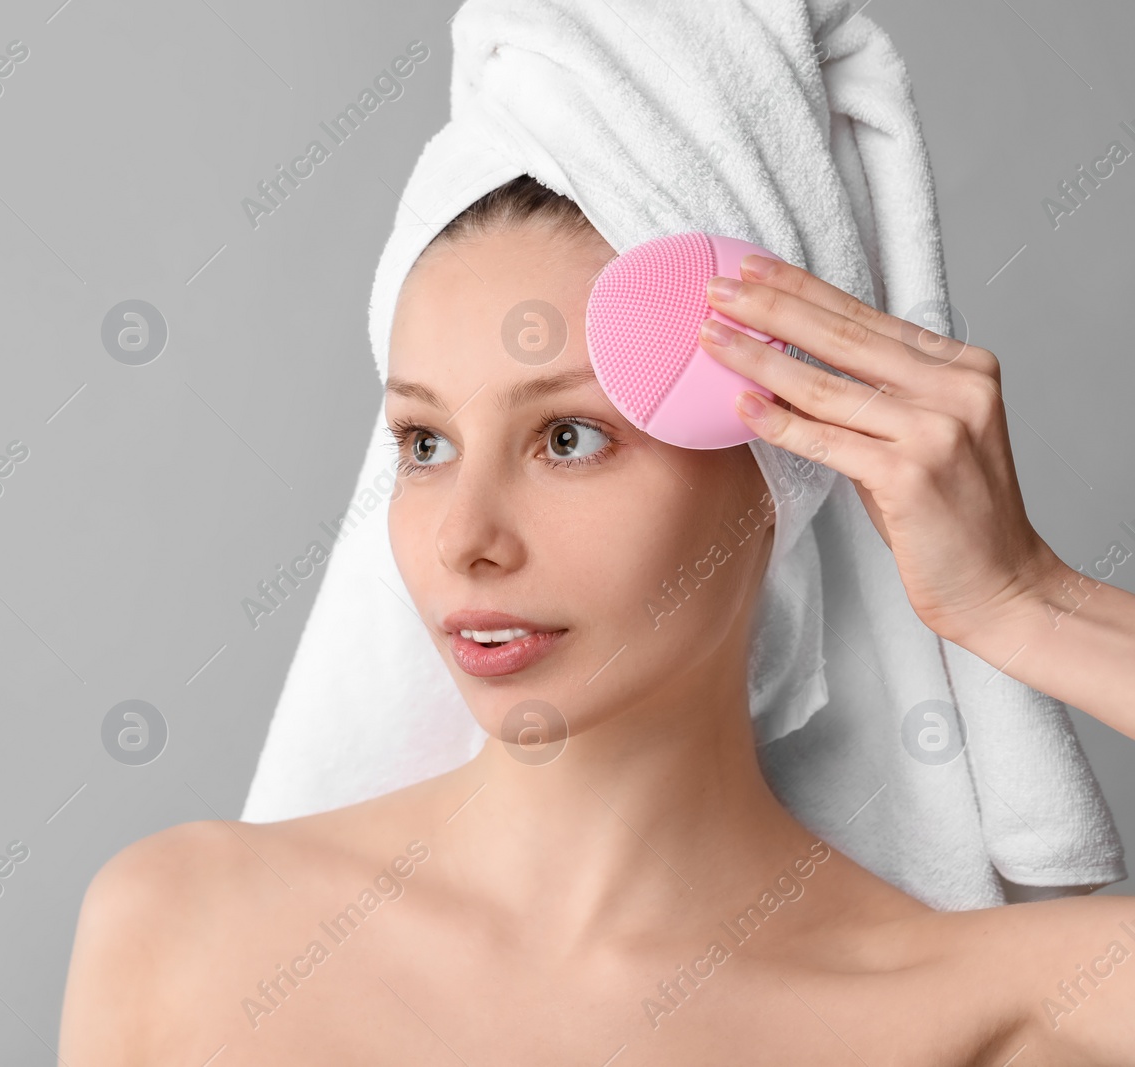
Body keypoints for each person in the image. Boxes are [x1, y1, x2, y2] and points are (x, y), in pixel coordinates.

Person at [57, 176, 1135, 1064]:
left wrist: (1027, 602)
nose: (463, 537)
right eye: (424, 442)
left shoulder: (1000, 1012)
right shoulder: (184, 924)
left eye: (567, 436)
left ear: (778, 466)